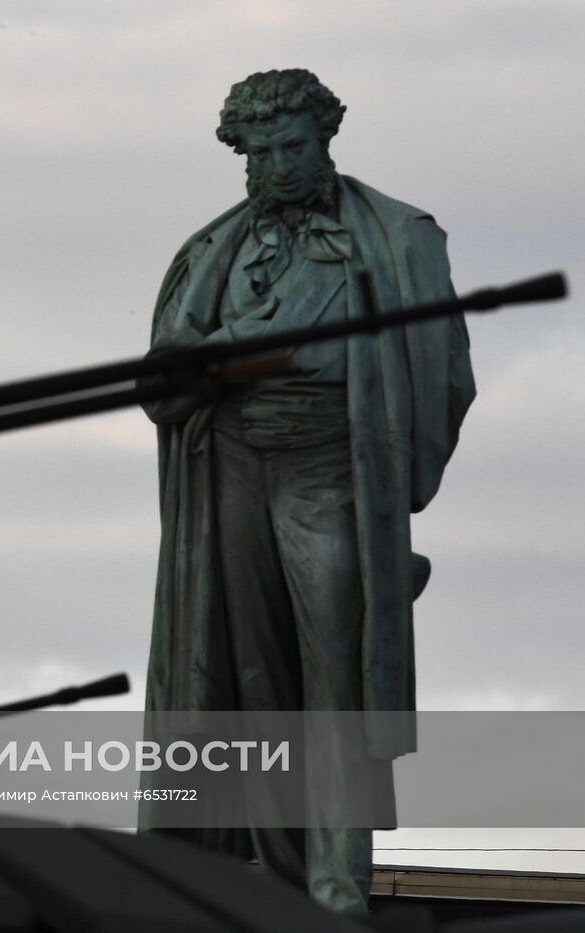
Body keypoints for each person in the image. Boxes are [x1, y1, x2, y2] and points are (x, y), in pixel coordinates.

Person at [140, 70, 475, 913]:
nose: (279, 167)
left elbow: (445, 378)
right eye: (260, 154)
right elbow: (159, 384)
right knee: (244, 672)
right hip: (230, 463)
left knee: (337, 678)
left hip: (334, 464)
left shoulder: (398, 236)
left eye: (293, 147)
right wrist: (212, 360)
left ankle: (335, 881)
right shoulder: (205, 253)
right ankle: (263, 877)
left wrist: (392, 495)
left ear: (326, 137)